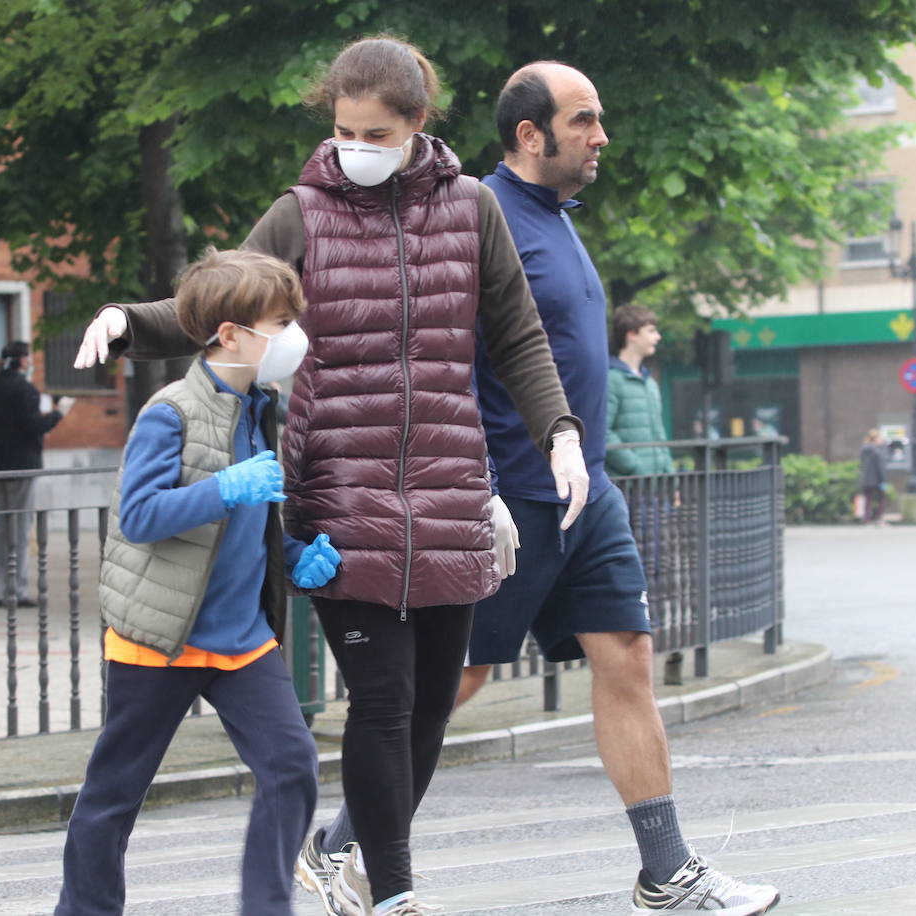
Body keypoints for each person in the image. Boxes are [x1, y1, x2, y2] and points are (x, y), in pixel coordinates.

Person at [72, 37, 589, 916]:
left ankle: (348, 858)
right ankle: (396, 893)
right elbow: (219, 303)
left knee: (429, 707)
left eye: (376, 130)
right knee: (382, 703)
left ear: (418, 124)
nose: (356, 145)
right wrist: (127, 319)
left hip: (447, 489)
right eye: (344, 129)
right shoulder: (302, 212)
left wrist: (559, 435)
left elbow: (516, 335)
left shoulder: (472, 209)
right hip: (338, 495)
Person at [302, 62, 780, 916]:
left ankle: (666, 871)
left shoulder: (558, 221)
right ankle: (339, 844)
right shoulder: (478, 215)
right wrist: (473, 484)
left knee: (627, 656)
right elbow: (439, 359)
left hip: (584, 492)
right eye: (586, 120)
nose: (601, 137)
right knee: (464, 673)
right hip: (507, 498)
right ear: (532, 134)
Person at [55, 248, 339, 916]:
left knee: (292, 768)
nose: (294, 334)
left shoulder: (257, 407)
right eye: (279, 320)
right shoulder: (171, 412)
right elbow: (141, 516)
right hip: (160, 636)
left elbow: (245, 529)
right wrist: (226, 487)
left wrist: (294, 558)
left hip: (241, 640)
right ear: (231, 333)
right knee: (112, 798)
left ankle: (266, 907)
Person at [0, 340, 75, 607]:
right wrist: (58, 413)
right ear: (22, 361)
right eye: (29, 358)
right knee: (20, 530)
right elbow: (35, 426)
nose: (31, 362)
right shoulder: (25, 391)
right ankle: (16, 590)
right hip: (22, 466)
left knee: (0, 531)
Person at [606, 304, 673, 477]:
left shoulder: (650, 383)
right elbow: (603, 433)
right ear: (632, 334)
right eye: (651, 331)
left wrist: (672, 478)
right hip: (627, 487)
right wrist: (636, 467)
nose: (657, 337)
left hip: (656, 487)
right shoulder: (611, 380)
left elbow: (659, 434)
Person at [859, 428, 888, 525]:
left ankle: (866, 519)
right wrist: (883, 481)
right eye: (880, 438)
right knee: (882, 498)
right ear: (875, 439)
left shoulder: (864, 449)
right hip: (877, 479)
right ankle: (879, 518)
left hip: (866, 479)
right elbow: (880, 467)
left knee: (868, 499)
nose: (881, 439)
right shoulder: (877, 451)